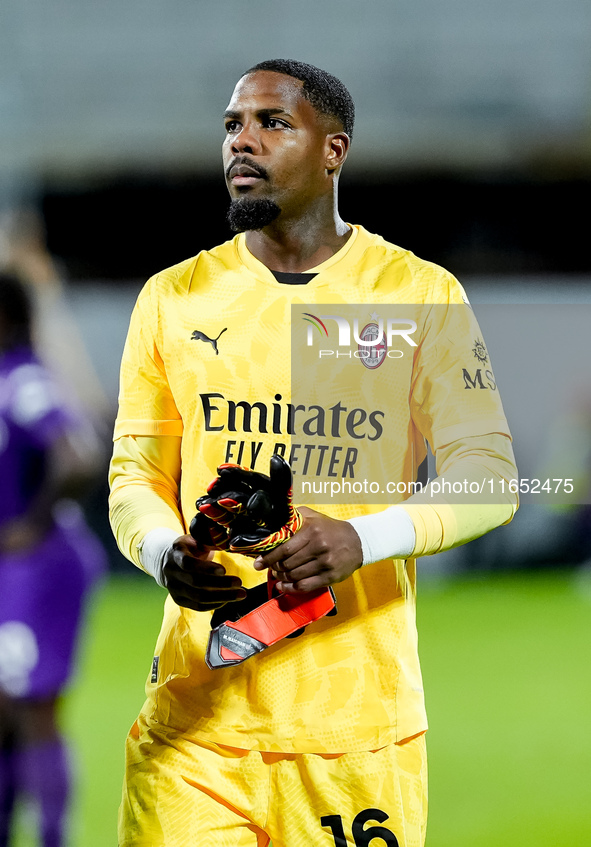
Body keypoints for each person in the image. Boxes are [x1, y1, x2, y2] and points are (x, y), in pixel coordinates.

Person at [109, 59, 518, 847]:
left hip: (357, 730)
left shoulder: (416, 293)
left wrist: (359, 539)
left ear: (333, 150)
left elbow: (490, 479)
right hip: (197, 724)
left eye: (272, 123)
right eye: (232, 124)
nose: (242, 141)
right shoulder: (175, 298)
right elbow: (134, 476)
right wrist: (164, 553)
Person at [0, 273, 106, 847]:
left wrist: (30, 526)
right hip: (10, 571)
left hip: (39, 566)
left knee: (33, 705)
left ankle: (50, 837)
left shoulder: (25, 383)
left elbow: (79, 455)